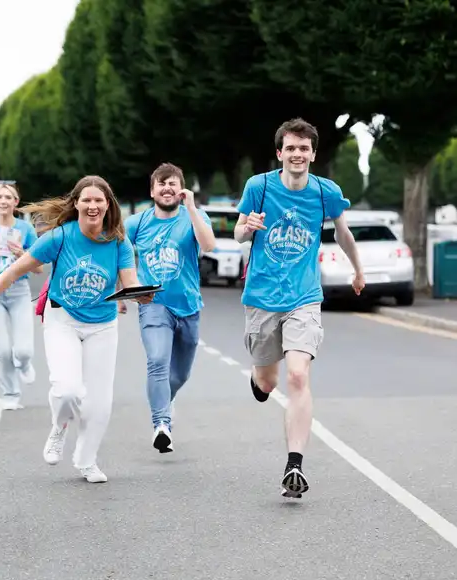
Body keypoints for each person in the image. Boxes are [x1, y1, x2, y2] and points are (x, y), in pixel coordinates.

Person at [0, 176, 155, 483]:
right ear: (76, 203)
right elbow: (10, 273)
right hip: (62, 320)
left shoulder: (119, 242)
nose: (92, 206)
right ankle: (59, 427)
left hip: (102, 326)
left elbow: (130, 285)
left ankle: (86, 461)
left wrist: (140, 294)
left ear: (108, 205)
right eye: (86, 200)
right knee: (68, 391)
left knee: (99, 405)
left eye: (98, 200)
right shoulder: (60, 237)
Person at [234, 118, 365, 499]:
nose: (297, 154)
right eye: (290, 148)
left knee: (297, 377)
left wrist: (358, 270)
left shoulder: (326, 192)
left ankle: (295, 464)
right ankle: (259, 379)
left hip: (304, 296)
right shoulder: (258, 188)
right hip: (260, 298)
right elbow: (239, 232)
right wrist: (249, 227)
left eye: (303, 148)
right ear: (280, 153)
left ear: (313, 154)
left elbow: (343, 232)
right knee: (268, 382)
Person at [124, 163, 216, 454]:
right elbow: (116, 251)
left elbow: (209, 245)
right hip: (154, 304)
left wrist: (191, 209)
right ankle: (161, 424)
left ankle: (165, 399)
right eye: (161, 183)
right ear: (152, 191)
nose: (167, 188)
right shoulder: (137, 223)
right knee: (157, 360)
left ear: (181, 189)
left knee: (180, 375)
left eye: (173, 183)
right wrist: (124, 289)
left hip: (188, 305)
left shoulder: (195, 216)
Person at [0, 182, 40, 410]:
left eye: (8, 197)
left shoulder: (26, 230)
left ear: (16, 202)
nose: (3, 201)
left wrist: (22, 255)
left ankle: (24, 364)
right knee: (3, 350)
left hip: (19, 292)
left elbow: (38, 267)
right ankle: (10, 394)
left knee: (22, 350)